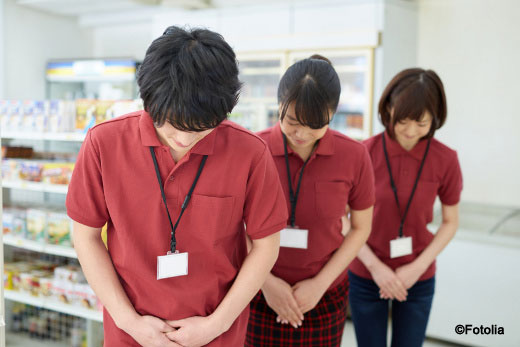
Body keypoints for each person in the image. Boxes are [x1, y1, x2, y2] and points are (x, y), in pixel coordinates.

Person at [66, 26, 288, 347]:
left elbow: (266, 245)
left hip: (216, 331)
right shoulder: (104, 143)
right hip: (130, 332)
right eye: (171, 124)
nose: (184, 139)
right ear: (149, 100)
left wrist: (216, 325)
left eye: (200, 128)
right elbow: (85, 236)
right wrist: (128, 321)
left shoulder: (250, 152)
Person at [246, 55, 375, 347]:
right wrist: (267, 282)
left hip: (325, 294)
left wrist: (320, 284)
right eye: (291, 121)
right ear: (279, 104)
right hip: (256, 289)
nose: (301, 134)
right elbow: (232, 227)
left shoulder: (354, 156)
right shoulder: (253, 149)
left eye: (315, 124)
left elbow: (360, 228)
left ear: (333, 113)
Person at [348, 68, 463, 347]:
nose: (411, 131)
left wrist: (417, 267)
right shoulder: (362, 153)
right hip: (366, 272)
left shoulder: (446, 159)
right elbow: (343, 219)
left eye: (422, 123)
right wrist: (376, 268)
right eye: (403, 121)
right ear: (388, 109)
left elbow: (450, 221)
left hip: (418, 275)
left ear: (436, 118)